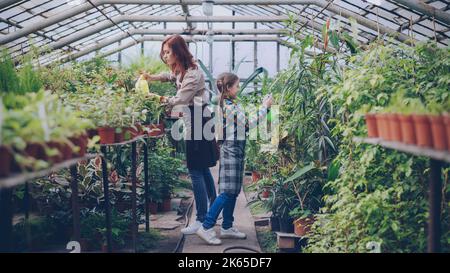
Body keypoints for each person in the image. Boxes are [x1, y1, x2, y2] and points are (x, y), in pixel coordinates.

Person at [142, 35, 218, 234]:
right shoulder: (181, 71)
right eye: (164, 52)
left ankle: (201, 220)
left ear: (178, 52)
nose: (165, 55)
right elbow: (169, 76)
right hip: (197, 118)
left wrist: (156, 97)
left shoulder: (192, 74)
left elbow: (180, 98)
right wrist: (152, 77)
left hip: (199, 120)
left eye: (168, 52)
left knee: (195, 169)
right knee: (202, 169)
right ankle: (213, 211)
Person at [195, 72, 273, 245]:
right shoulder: (228, 107)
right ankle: (206, 227)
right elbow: (247, 124)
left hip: (235, 150)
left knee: (233, 191)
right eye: (237, 85)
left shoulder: (230, 103)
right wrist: (264, 107)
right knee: (226, 192)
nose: (239, 88)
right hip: (231, 150)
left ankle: (227, 226)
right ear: (229, 88)